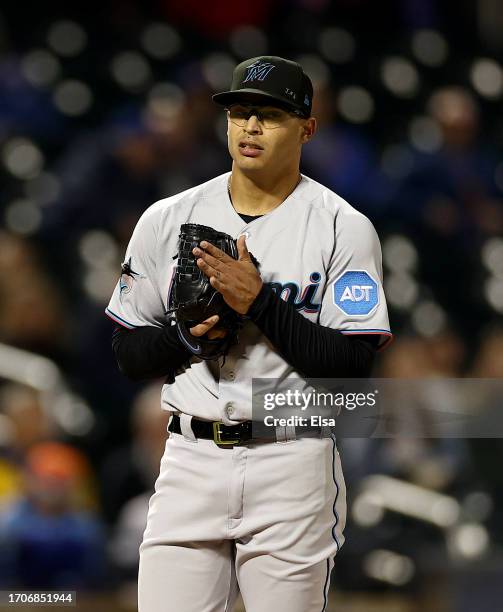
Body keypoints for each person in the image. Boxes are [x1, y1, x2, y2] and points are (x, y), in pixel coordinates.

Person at [107, 56, 392, 612]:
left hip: (292, 459)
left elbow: (352, 372)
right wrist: (184, 337)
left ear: (307, 127)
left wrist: (259, 302)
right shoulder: (167, 217)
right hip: (190, 457)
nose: (251, 128)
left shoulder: (342, 227)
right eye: (240, 113)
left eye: (271, 115)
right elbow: (127, 354)